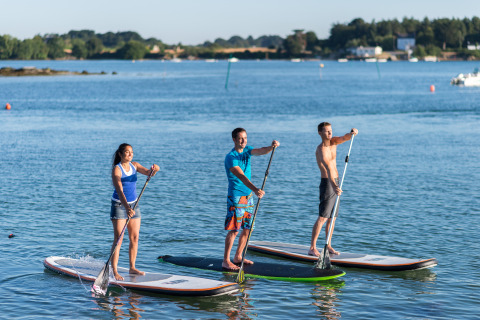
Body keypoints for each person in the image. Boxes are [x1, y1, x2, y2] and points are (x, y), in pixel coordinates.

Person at [223, 128, 280, 270]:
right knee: (235, 229)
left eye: (245, 138)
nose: (244, 141)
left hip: (248, 197)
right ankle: (226, 260)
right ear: (234, 140)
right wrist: (255, 189)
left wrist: (271, 147)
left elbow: (261, 151)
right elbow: (241, 177)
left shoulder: (247, 151)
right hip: (236, 197)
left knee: (248, 228)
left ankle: (238, 256)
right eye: (241, 138)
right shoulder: (231, 157)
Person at [110, 143, 160, 280]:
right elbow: (120, 191)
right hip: (120, 205)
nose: (130, 154)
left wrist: (155, 170)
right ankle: (115, 271)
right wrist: (126, 208)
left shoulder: (135, 165)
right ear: (120, 154)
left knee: (135, 238)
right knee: (118, 240)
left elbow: (148, 173)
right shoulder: (117, 170)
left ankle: (132, 268)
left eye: (131, 152)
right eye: (127, 152)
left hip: (134, 205)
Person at [309, 122, 358, 257]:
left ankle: (328, 245)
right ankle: (312, 247)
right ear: (320, 133)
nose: (330, 133)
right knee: (323, 217)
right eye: (326, 131)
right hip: (328, 184)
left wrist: (352, 132)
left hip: (336, 182)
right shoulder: (321, 150)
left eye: (330, 130)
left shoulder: (334, 142)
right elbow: (329, 170)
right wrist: (335, 187)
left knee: (332, 218)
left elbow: (345, 138)